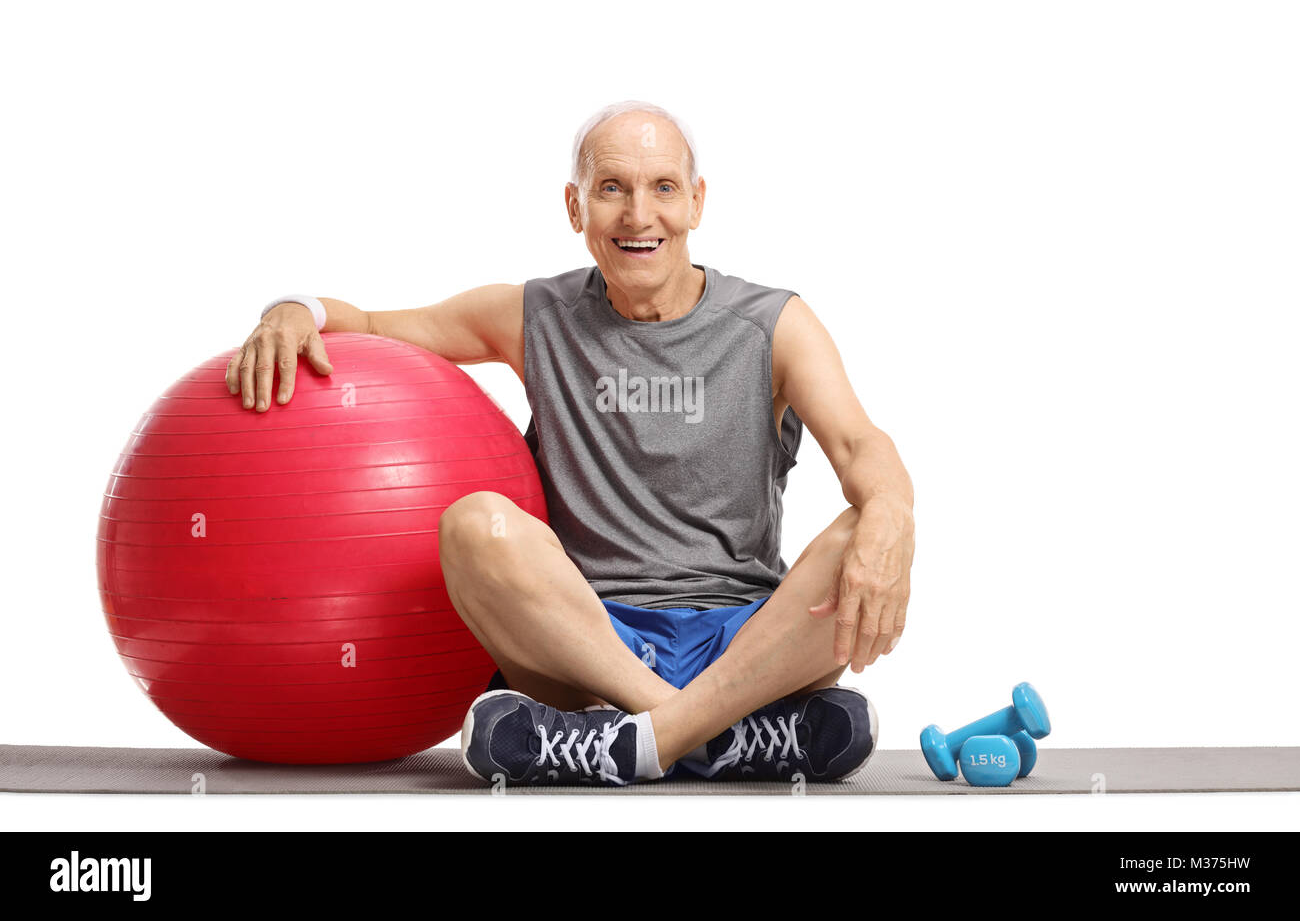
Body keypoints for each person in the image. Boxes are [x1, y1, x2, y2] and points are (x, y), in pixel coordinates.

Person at [226, 100, 916, 786]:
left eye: (663, 188)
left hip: (749, 643)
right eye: (611, 188)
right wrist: (294, 311)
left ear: (697, 202)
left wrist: (891, 521)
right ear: (574, 206)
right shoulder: (534, 316)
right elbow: (373, 322)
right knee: (475, 525)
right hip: (588, 649)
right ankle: (720, 737)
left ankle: (625, 744)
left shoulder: (774, 324)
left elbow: (860, 446)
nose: (638, 215)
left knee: (868, 522)